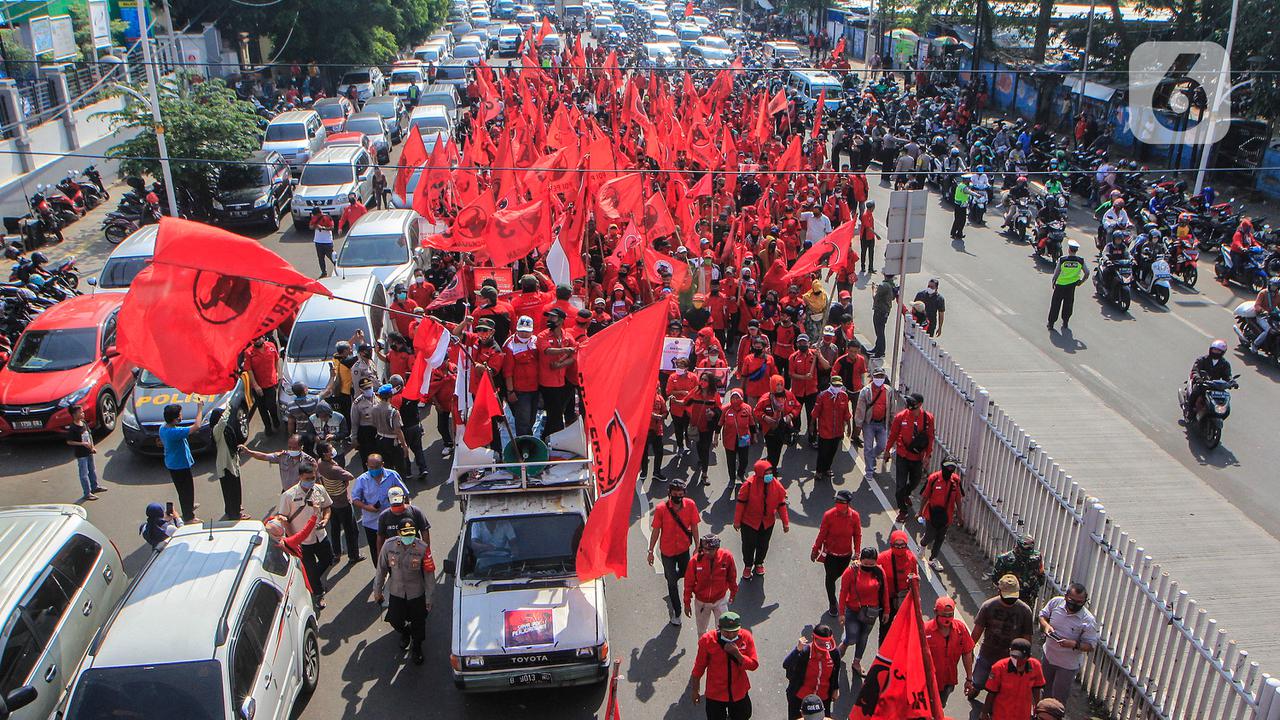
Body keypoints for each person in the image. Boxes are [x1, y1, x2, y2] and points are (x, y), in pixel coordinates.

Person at [373, 517, 436, 666]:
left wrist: (429, 598)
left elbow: (429, 574)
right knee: (395, 620)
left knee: (419, 623)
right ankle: (405, 632)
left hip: (416, 592)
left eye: (411, 534)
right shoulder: (389, 546)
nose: (408, 538)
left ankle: (417, 647)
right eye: (405, 535)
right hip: (396, 591)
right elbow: (381, 569)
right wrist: (377, 591)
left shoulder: (422, 548)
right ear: (398, 533)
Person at [277, 460, 333, 607]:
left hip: (320, 535)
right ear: (300, 477)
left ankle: (311, 578)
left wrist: (326, 519)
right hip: (303, 541)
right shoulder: (289, 496)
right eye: (307, 478)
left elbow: (327, 507)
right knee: (311, 567)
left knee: (328, 559)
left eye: (313, 478)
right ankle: (318, 594)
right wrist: (293, 540)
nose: (311, 481)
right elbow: (284, 519)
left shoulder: (319, 489)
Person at [969, 574, 1035, 699]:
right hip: (988, 653)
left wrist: (1025, 659)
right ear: (999, 591)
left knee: (1001, 690)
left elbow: (1027, 637)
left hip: (1010, 658)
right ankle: (976, 689)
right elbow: (977, 631)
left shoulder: (1025, 611)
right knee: (978, 681)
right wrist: (969, 650)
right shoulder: (988, 606)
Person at [648, 479, 700, 625]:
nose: (677, 495)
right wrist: (650, 550)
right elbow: (656, 531)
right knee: (671, 582)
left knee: (686, 573)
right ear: (670, 493)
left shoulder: (690, 505)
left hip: (684, 549)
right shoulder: (661, 509)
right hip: (667, 552)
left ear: (684, 493)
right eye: (675, 493)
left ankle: (671, 576)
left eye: (680, 493)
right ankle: (677, 612)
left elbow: (694, 526)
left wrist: (697, 545)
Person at [689, 611, 759, 720]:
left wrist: (738, 654)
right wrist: (695, 690)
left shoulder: (746, 637)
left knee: (744, 715)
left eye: (734, 632)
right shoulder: (707, 640)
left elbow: (753, 665)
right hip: (715, 693)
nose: (731, 635)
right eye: (727, 632)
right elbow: (699, 666)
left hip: (739, 691)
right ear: (719, 628)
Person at [1038, 582, 1099, 701]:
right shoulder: (1055, 603)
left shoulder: (1088, 621)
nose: (1075, 604)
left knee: (1058, 698)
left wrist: (1074, 644)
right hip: (1048, 657)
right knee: (1043, 690)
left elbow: (1091, 646)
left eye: (1079, 602)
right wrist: (1046, 626)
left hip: (1067, 665)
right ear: (1066, 596)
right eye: (1072, 600)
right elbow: (1042, 615)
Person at [734, 460, 789, 579]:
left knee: (763, 545)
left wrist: (785, 523)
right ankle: (748, 565)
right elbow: (740, 504)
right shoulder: (748, 485)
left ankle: (759, 562)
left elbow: (781, 504)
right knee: (748, 545)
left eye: (770, 472)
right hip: (749, 522)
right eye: (766, 473)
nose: (769, 475)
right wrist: (737, 521)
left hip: (767, 522)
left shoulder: (776, 484)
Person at [350, 454, 409, 565]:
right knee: (376, 550)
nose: (373, 470)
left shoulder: (392, 475)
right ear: (367, 465)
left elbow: (405, 494)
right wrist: (368, 507)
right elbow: (355, 499)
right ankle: (380, 571)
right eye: (371, 467)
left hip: (393, 519)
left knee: (398, 546)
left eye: (376, 467)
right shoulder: (362, 480)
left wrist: (406, 512)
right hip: (372, 522)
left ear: (382, 465)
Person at [837, 546, 887, 674]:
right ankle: (845, 643)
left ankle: (856, 662)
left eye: (872, 564)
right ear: (860, 560)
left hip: (871, 613)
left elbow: (884, 591)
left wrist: (886, 610)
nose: (869, 566)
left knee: (863, 637)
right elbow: (843, 593)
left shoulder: (879, 572)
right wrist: (841, 613)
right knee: (852, 637)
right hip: (853, 611)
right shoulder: (851, 572)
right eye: (866, 564)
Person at [811, 489, 861, 616]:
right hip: (831, 555)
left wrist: (857, 552)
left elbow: (857, 535)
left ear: (848, 503)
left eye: (842, 502)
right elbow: (822, 533)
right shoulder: (829, 515)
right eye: (837, 501)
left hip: (846, 555)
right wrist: (815, 549)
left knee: (841, 576)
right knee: (830, 579)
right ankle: (833, 603)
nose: (838, 504)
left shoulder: (854, 516)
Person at [887, 392, 935, 522]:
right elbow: (893, 435)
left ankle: (906, 494)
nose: (909, 405)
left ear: (919, 404)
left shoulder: (928, 418)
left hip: (917, 458)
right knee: (899, 487)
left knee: (915, 481)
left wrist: (927, 455)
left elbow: (930, 438)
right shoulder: (900, 417)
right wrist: (887, 451)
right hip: (903, 456)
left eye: (913, 403)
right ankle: (903, 510)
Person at [782, 625, 843, 718]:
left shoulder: (834, 653)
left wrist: (836, 688)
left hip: (823, 699)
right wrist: (797, 650)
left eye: (826, 643)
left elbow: (836, 670)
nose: (823, 647)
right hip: (800, 698)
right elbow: (786, 664)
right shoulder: (805, 652)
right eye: (820, 642)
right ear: (813, 637)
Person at [684, 534, 739, 636]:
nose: (708, 552)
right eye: (706, 549)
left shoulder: (727, 557)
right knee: (701, 631)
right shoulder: (695, 561)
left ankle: (720, 650)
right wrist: (687, 603)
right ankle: (703, 650)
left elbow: (732, 577)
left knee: (723, 630)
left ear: (717, 548)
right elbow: (688, 584)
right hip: (702, 603)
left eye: (711, 550)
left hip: (720, 600)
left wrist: (733, 593)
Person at [316, 441, 361, 563]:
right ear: (325, 454)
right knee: (351, 530)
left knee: (335, 529)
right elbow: (350, 476)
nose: (333, 450)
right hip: (343, 502)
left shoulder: (320, 463)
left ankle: (336, 553)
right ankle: (353, 555)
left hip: (331, 501)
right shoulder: (334, 469)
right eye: (330, 449)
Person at [924, 596, 975, 704]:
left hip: (948, 680)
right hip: (927, 682)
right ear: (935, 612)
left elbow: (967, 653)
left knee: (940, 705)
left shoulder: (960, 629)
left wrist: (969, 679)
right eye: (943, 615)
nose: (947, 619)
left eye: (950, 615)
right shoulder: (925, 630)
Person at [159, 401, 204, 523]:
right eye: (179, 414)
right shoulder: (174, 432)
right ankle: (189, 516)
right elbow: (197, 426)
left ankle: (188, 506)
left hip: (174, 463)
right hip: (179, 465)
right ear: (175, 419)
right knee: (186, 490)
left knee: (184, 489)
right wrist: (200, 409)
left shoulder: (163, 428)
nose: (181, 416)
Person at [537, 307, 578, 437]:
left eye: (552, 317)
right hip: (547, 383)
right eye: (548, 317)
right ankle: (553, 439)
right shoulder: (542, 335)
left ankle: (548, 439)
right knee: (555, 414)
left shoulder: (567, 336)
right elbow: (547, 350)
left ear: (561, 320)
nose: (549, 319)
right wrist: (566, 350)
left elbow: (575, 354)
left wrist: (561, 364)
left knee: (556, 414)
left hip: (562, 381)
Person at [980, 637, 1045, 720]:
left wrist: (1038, 710)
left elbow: (1036, 690)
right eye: (1014, 656)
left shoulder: (1036, 666)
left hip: (1023, 715)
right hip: (1001, 715)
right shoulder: (999, 668)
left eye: (1020, 658)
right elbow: (991, 693)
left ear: (1028, 656)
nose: (1016, 661)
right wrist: (984, 713)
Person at [918, 458, 963, 570]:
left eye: (952, 467)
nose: (950, 469)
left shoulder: (956, 481)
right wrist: (920, 512)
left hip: (947, 516)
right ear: (943, 466)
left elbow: (958, 499)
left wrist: (960, 516)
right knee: (930, 536)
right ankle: (923, 544)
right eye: (948, 467)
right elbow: (925, 496)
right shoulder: (933, 478)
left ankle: (933, 558)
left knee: (940, 537)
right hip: (931, 514)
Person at [503, 315, 540, 437]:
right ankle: (523, 444)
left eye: (527, 332)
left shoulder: (536, 341)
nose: (524, 334)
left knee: (532, 418)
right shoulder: (509, 345)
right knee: (522, 421)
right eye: (521, 331)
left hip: (535, 388)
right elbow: (508, 371)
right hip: (520, 391)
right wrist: (510, 391)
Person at [877, 529, 917, 640]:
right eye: (897, 545)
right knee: (885, 628)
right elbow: (869, 568)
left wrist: (915, 598)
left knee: (905, 628)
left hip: (903, 598)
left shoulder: (911, 558)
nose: (900, 548)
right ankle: (882, 653)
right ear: (891, 544)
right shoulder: (883, 558)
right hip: (886, 599)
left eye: (902, 545)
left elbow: (915, 579)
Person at [208, 407, 247, 520]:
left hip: (233, 461)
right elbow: (223, 421)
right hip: (225, 464)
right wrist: (229, 406)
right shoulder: (217, 430)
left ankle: (235, 508)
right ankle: (234, 513)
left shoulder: (226, 429)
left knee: (236, 487)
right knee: (230, 490)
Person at [853, 367, 891, 481]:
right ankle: (869, 470)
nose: (879, 379)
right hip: (869, 424)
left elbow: (892, 408)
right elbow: (860, 409)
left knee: (882, 445)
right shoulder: (866, 391)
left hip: (882, 423)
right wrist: (858, 425)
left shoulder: (889, 391)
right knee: (868, 447)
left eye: (881, 376)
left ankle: (872, 457)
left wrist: (892, 422)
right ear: (873, 377)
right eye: (877, 376)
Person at [240, 434, 316, 491]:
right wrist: (249, 452)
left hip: (302, 493)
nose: (291, 450)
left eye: (295, 448)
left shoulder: (309, 461)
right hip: (286, 492)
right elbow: (264, 456)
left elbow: (316, 480)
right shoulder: (282, 456)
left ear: (301, 447)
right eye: (290, 447)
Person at [755, 376, 800, 470]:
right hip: (770, 430)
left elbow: (797, 407)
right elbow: (757, 411)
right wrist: (765, 417)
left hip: (783, 429)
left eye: (781, 384)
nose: (779, 387)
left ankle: (772, 467)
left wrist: (790, 415)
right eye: (777, 385)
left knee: (778, 450)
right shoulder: (765, 399)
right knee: (772, 452)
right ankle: (771, 471)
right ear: (772, 385)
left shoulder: (789, 395)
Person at [813, 376, 853, 481]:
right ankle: (819, 471)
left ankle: (827, 468)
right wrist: (811, 426)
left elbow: (846, 413)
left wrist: (849, 426)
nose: (837, 387)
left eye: (839, 385)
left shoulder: (844, 396)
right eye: (835, 385)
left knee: (832, 451)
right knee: (823, 452)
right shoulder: (822, 396)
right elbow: (815, 413)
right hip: (825, 430)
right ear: (830, 384)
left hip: (838, 431)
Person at [65, 404, 105, 501]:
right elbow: (69, 441)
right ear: (74, 414)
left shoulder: (83, 423)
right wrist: (82, 444)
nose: (83, 413)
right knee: (84, 474)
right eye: (80, 412)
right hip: (81, 454)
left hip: (89, 452)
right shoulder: (73, 428)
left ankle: (95, 487)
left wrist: (92, 447)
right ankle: (87, 493)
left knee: (92, 470)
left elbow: (89, 435)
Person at [992, 535, 1046, 606]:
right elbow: (995, 578)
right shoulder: (1005, 559)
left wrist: (1034, 588)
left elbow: (1041, 576)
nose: (1027, 555)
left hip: (1028, 597)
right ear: (1018, 547)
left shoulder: (1037, 557)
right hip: (1008, 596)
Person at [1048, 239, 1089, 330]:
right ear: (1076, 250)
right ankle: (1065, 322)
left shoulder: (1062, 260)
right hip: (1072, 286)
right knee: (1068, 304)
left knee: (1055, 304)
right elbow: (1087, 273)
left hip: (1060, 285)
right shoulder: (1080, 261)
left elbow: (1056, 272)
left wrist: (1053, 281)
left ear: (1069, 249)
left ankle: (1051, 324)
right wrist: (1081, 282)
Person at [1185, 339, 1233, 418]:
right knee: (1195, 392)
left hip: (1215, 386)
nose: (1216, 352)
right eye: (1214, 350)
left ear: (1222, 352)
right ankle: (1189, 410)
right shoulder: (1202, 360)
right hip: (1202, 383)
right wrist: (1198, 378)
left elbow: (1227, 375)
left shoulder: (1225, 364)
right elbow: (1195, 370)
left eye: (1218, 351)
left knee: (1225, 399)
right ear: (1211, 349)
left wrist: (1232, 382)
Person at [243, 335, 281, 433]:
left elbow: (276, 359)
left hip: (270, 383)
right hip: (258, 386)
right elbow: (249, 371)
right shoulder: (248, 353)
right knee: (262, 408)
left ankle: (275, 420)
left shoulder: (271, 346)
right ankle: (267, 427)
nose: (258, 340)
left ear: (263, 338)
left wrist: (276, 372)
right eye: (255, 339)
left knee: (272, 405)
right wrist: (256, 386)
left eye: (259, 338)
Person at [372, 384, 411, 477]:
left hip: (380, 439)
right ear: (390, 395)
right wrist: (404, 445)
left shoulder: (374, 409)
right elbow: (397, 430)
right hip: (392, 442)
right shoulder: (393, 411)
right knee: (400, 468)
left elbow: (373, 424)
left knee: (387, 467)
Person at [720, 390, 757, 486]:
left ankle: (741, 474)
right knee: (731, 461)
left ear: (741, 398)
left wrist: (754, 435)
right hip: (729, 439)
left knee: (744, 460)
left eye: (737, 398)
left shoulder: (747, 408)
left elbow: (752, 423)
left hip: (744, 438)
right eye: (733, 398)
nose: (735, 400)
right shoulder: (725, 409)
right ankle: (732, 479)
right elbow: (719, 423)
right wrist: (715, 438)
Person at [1252, 277, 1280, 352]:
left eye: (1276, 286)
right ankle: (1255, 344)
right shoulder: (1263, 293)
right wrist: (1263, 311)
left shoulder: (1278, 295)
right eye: (1273, 286)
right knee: (1268, 330)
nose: (1274, 288)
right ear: (1269, 285)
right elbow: (1257, 305)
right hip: (1262, 316)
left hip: (1273, 317)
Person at [871, 273, 895, 357]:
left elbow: (875, 297)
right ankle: (877, 348)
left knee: (879, 332)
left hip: (879, 311)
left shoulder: (883, 285)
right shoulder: (892, 284)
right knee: (880, 331)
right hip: (885, 311)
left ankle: (880, 352)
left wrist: (874, 289)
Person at [309, 209, 335, 277]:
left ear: (319, 213)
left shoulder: (327, 217)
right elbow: (310, 226)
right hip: (318, 241)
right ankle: (324, 272)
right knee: (320, 258)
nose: (314, 216)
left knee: (332, 257)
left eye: (315, 215)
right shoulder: (314, 218)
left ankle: (339, 268)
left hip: (327, 241)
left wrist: (323, 228)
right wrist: (315, 226)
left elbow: (332, 227)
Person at [950, 174, 971, 240]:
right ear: (966, 180)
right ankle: (957, 233)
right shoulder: (964, 187)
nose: (969, 181)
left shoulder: (960, 185)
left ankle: (956, 233)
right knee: (962, 220)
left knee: (957, 219)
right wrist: (977, 194)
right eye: (969, 180)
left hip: (959, 205)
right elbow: (969, 192)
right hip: (961, 206)